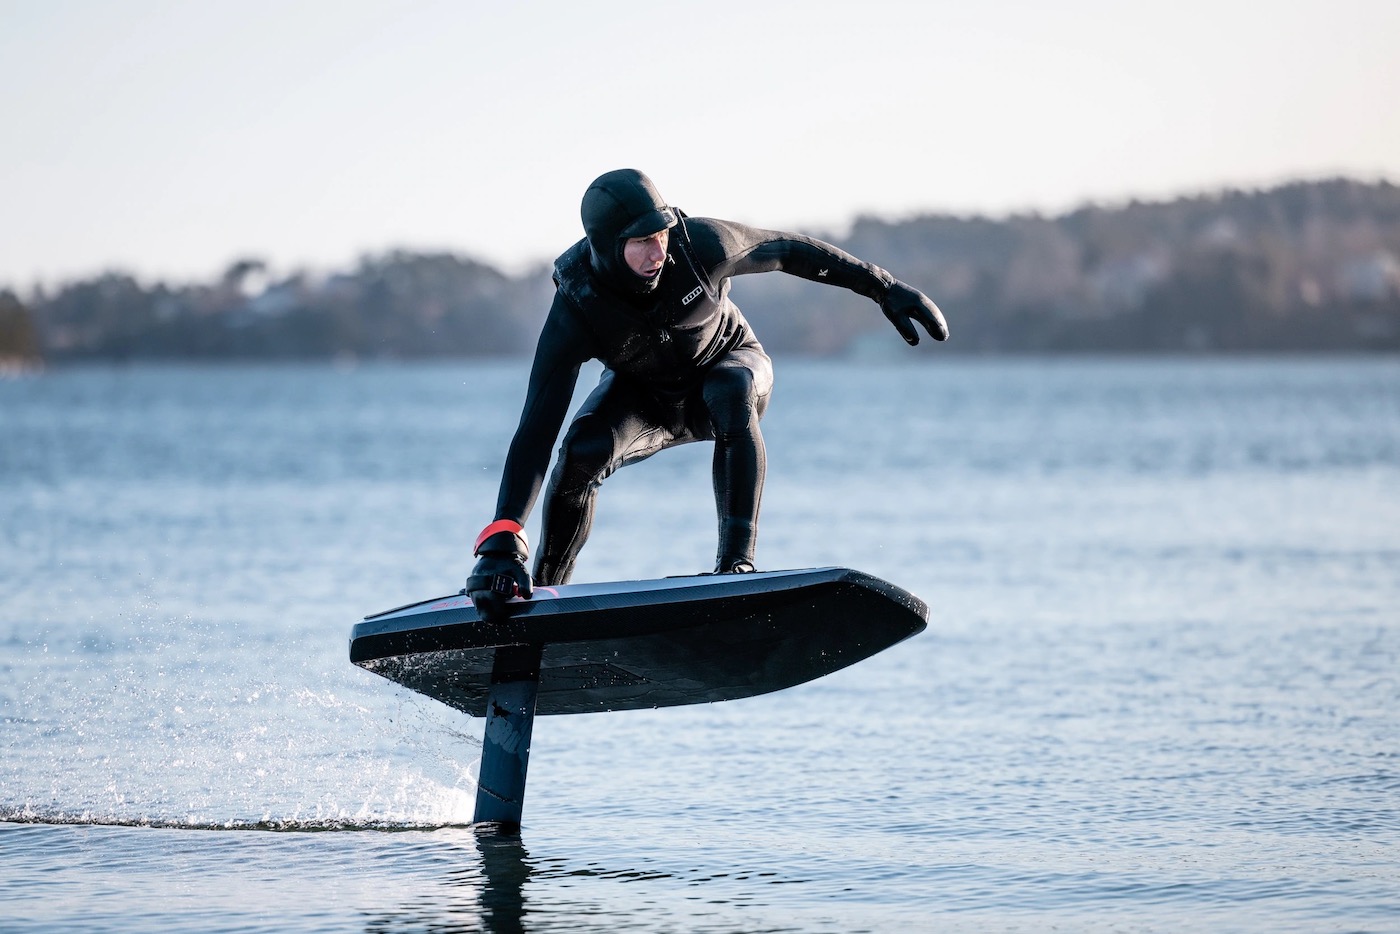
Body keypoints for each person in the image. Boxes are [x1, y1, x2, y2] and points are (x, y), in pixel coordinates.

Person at [466, 169, 947, 619]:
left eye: (661, 235)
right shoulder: (577, 305)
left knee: (728, 387)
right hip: (645, 397)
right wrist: (503, 535)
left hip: (731, 365)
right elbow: (537, 426)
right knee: (579, 450)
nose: (658, 253)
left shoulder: (701, 245)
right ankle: (543, 599)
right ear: (606, 247)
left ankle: (736, 567)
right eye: (641, 243)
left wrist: (882, 287)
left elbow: (787, 249)